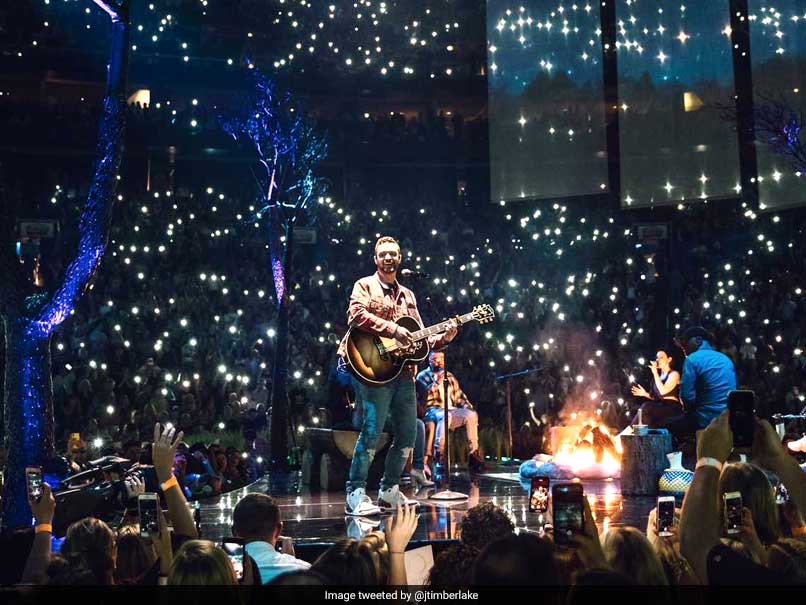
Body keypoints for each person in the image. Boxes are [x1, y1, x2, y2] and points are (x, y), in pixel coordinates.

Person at [337, 236, 457, 515]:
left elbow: (419, 339)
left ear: (400, 258)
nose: (389, 258)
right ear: (376, 259)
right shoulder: (364, 285)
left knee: (407, 433)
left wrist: (445, 336)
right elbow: (355, 316)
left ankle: (389, 489)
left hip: (403, 372)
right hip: (371, 367)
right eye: (384, 254)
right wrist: (392, 330)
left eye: (393, 254)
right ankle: (355, 491)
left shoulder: (409, 296)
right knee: (372, 430)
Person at [416, 351, 484, 472]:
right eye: (435, 359)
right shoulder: (423, 376)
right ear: (430, 361)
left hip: (450, 409)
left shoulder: (450, 376)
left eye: (441, 359)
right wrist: (436, 383)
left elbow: (459, 396)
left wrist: (468, 407)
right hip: (432, 411)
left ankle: (474, 454)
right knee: (445, 415)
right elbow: (421, 397)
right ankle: (440, 454)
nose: (439, 362)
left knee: (470, 415)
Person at [668, 326, 737, 439]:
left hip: (705, 419)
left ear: (698, 340)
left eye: (685, 343)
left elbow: (686, 396)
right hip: (727, 418)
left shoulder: (692, 359)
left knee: (666, 426)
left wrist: (688, 411)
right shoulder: (725, 359)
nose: (683, 348)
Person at [231, 493, 310, 584]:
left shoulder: (223, 574)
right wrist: (291, 562)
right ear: (279, 530)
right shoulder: (306, 572)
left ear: (234, 532)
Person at [629, 349, 682, 428]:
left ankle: (629, 431)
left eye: (661, 357)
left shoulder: (674, 374)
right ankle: (637, 436)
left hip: (672, 407)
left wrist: (655, 373)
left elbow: (663, 392)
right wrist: (645, 394)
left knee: (647, 406)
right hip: (660, 405)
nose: (658, 360)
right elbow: (656, 397)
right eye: (657, 358)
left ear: (669, 359)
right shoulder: (657, 378)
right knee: (643, 413)